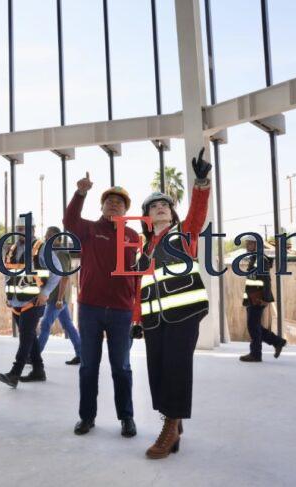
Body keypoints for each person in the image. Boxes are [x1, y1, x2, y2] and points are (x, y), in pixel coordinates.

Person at [134, 148, 211, 459]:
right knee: (158, 371)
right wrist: (136, 321)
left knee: (177, 368)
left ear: (173, 212)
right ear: (146, 217)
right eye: (154, 206)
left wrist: (201, 182)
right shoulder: (143, 251)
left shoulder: (184, 233)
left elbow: (198, 210)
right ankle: (172, 424)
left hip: (183, 314)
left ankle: (170, 427)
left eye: (165, 204)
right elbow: (140, 287)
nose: (161, 207)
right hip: (154, 320)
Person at [64, 176, 139, 439]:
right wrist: (80, 193)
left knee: (121, 367)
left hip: (121, 311)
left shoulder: (132, 235)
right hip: (90, 310)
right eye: (109, 201)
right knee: (89, 366)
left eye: (119, 202)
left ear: (126, 210)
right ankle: (87, 417)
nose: (114, 205)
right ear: (102, 206)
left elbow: (137, 275)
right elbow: (69, 221)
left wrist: (136, 313)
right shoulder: (88, 230)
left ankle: (127, 418)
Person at [0, 215, 62, 389]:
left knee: (25, 337)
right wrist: (9, 296)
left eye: (25, 229)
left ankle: (14, 373)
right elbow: (7, 274)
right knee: (30, 337)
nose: (21, 232)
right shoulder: (11, 249)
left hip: (34, 301)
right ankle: (38, 370)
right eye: (19, 229)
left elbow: (58, 271)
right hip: (17, 301)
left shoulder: (41, 248)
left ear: (32, 230)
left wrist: (46, 292)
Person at [238, 235, 286, 362]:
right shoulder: (255, 258)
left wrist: (264, 298)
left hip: (258, 298)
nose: (247, 246)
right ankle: (277, 342)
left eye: (249, 243)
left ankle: (256, 354)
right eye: (247, 243)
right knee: (255, 326)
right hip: (252, 297)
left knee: (253, 326)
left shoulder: (260, 260)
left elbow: (266, 279)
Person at [37, 226, 81, 365]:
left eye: (49, 235)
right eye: (46, 234)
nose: (46, 237)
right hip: (55, 296)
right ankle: (81, 354)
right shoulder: (51, 251)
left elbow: (64, 277)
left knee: (45, 324)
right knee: (67, 325)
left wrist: (60, 299)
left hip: (57, 297)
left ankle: (34, 356)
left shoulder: (60, 253)